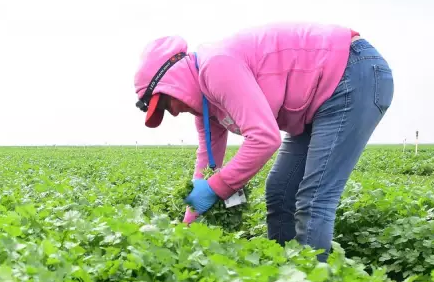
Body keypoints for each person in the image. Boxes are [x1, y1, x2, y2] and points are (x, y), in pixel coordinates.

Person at [134, 23, 394, 261]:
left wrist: (216, 188)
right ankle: (283, 274)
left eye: (166, 103)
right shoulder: (204, 106)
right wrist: (187, 223)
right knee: (280, 190)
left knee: (314, 199)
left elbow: (264, 138)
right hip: (315, 102)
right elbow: (206, 162)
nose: (174, 112)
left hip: (352, 72)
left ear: (172, 80)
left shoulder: (216, 66)